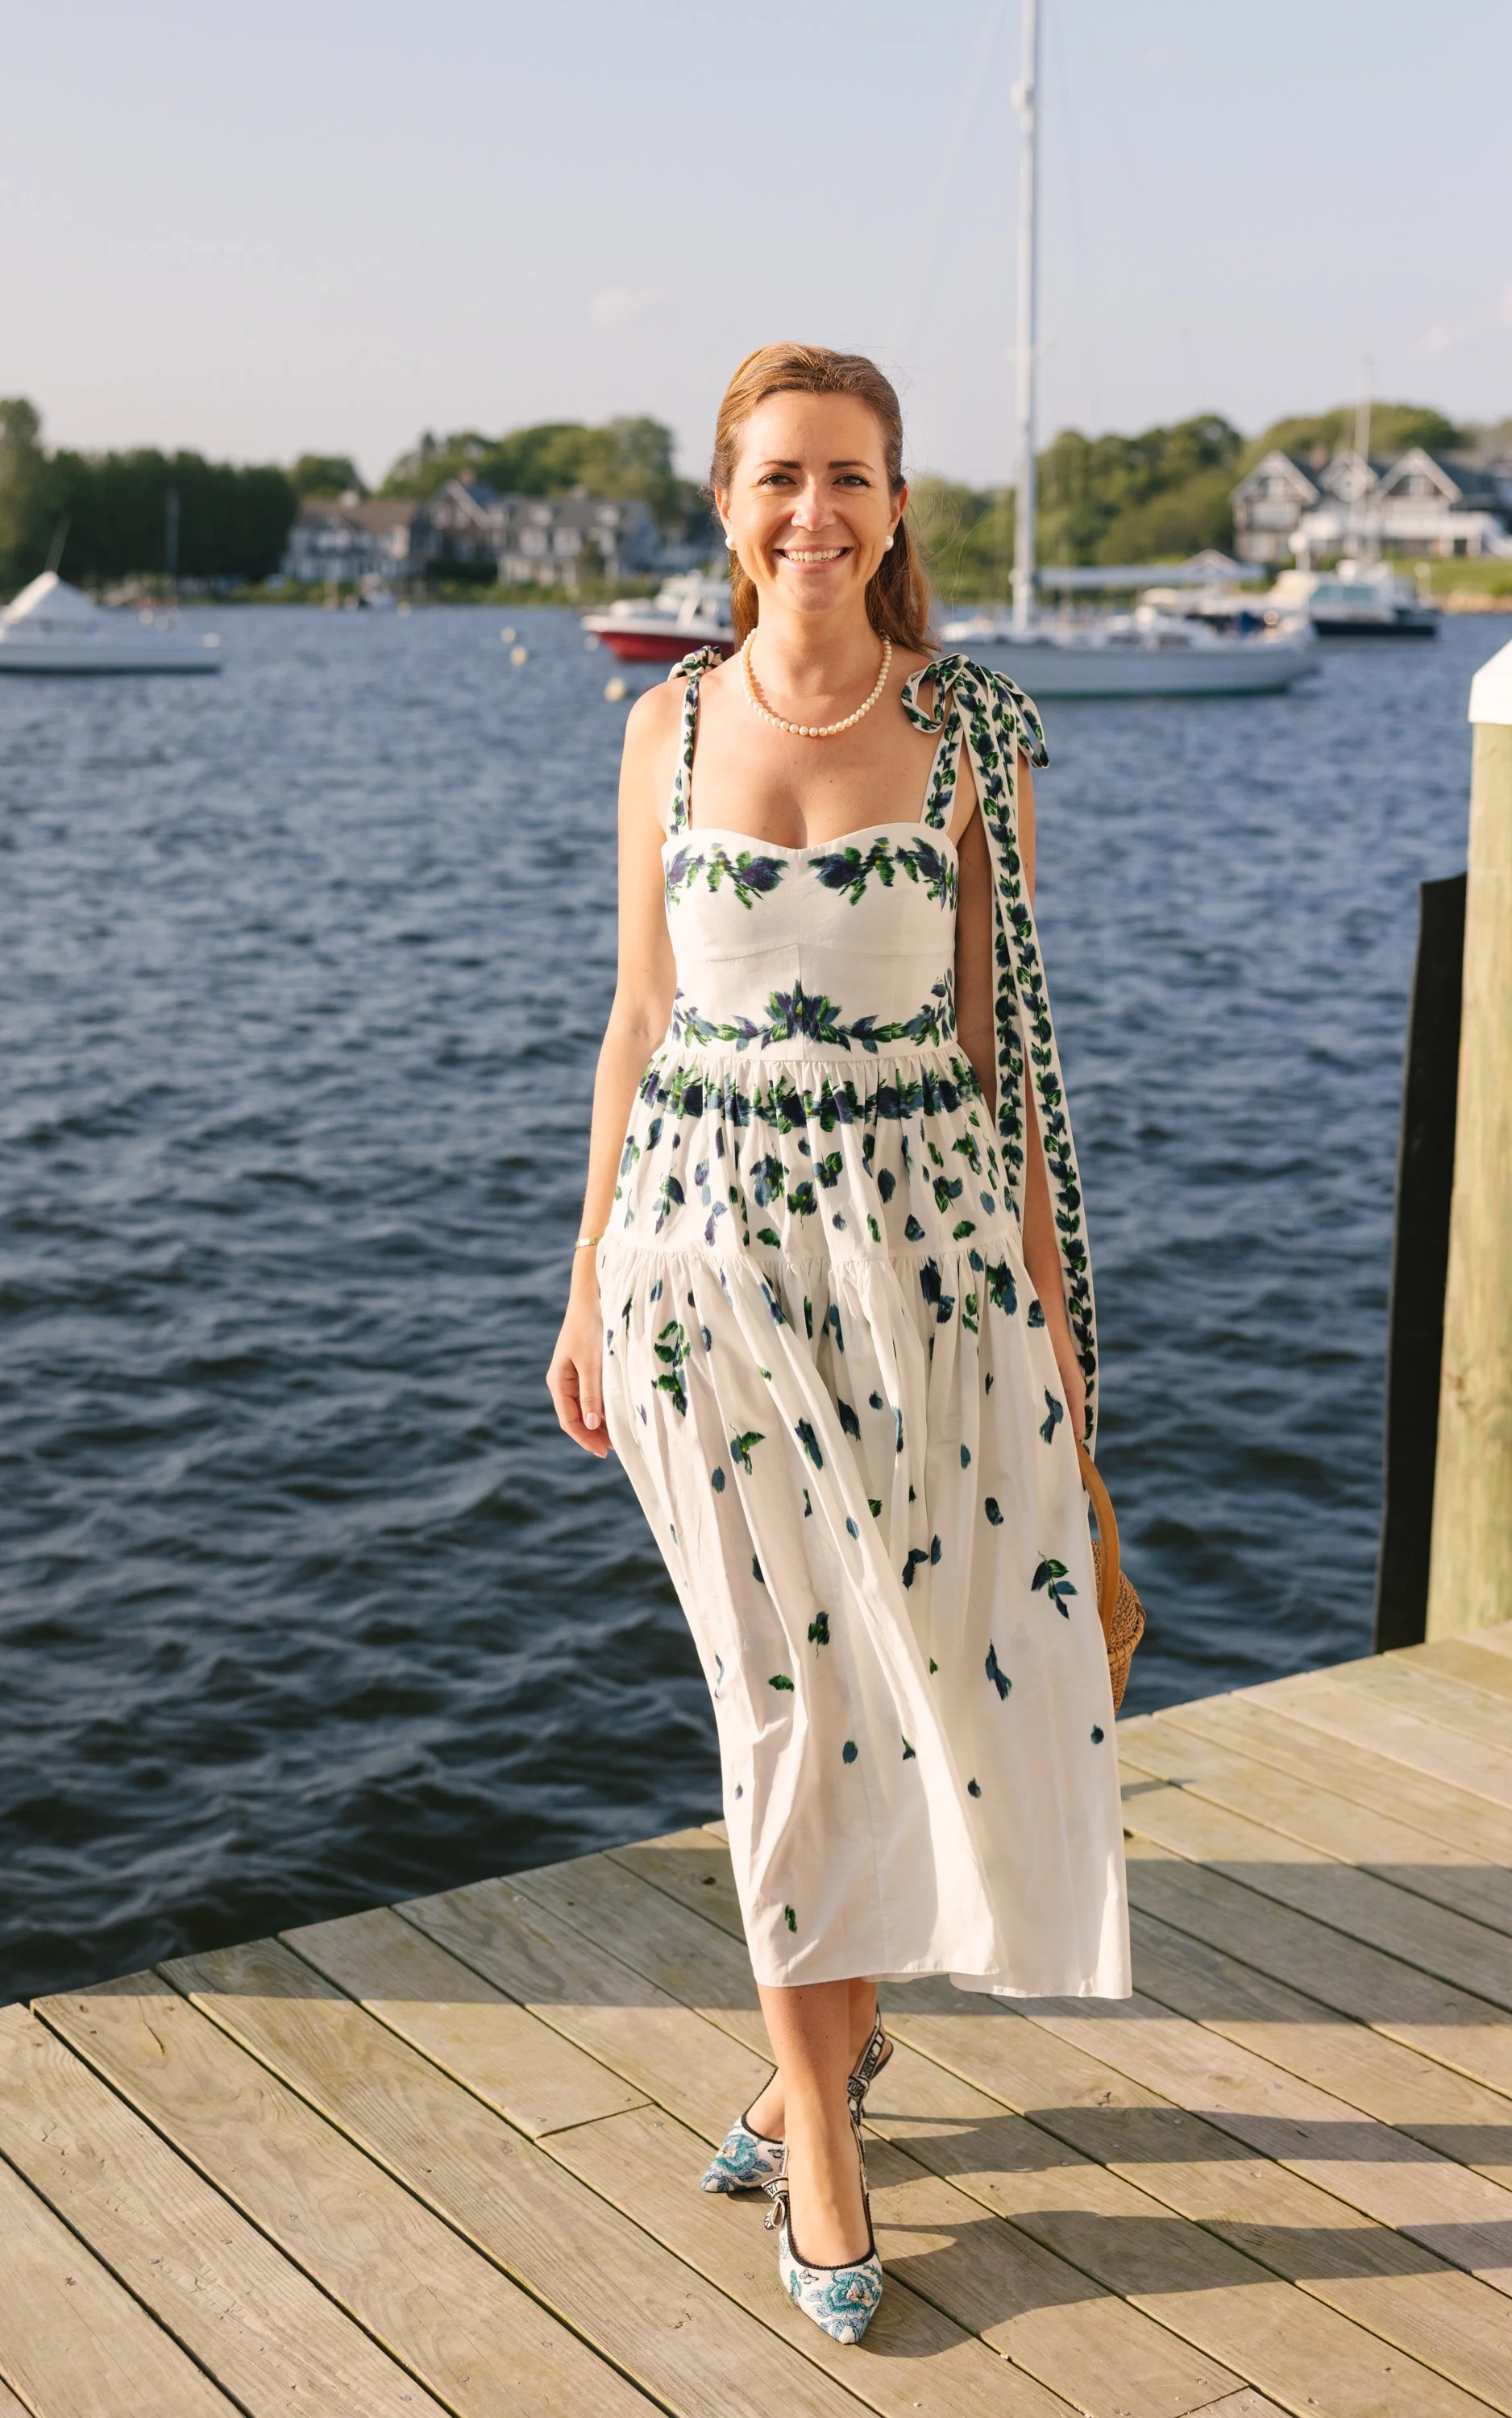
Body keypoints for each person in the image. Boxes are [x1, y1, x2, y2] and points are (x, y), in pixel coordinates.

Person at [548, 342, 1128, 2345]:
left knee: (927, 1686)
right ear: (726, 506)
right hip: (701, 1272)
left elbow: (1013, 1074)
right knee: (785, 1699)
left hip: (932, 1275)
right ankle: (820, 2133)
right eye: (780, 475)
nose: (817, 512)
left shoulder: (973, 735)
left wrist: (1058, 1356)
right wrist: (580, 1274)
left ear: (896, 508)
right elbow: (637, 1021)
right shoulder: (662, 729)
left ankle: (816, 2054)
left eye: (853, 476)